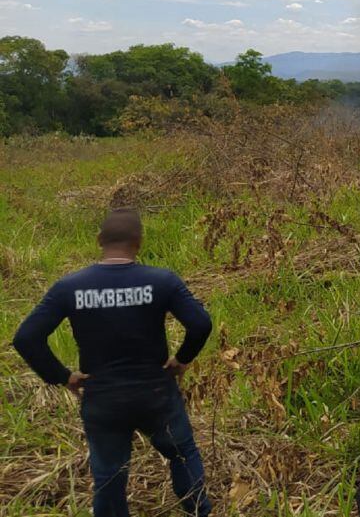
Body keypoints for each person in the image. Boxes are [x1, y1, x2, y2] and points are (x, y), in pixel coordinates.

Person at [12, 208, 213, 517]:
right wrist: (181, 360)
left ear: (98, 241)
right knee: (182, 454)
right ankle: (199, 510)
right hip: (156, 393)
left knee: (108, 477)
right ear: (139, 242)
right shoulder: (162, 281)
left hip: (102, 398)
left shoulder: (70, 287)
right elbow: (200, 324)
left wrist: (63, 376)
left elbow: (26, 338)